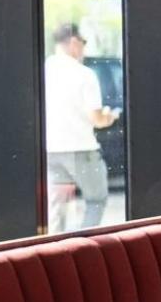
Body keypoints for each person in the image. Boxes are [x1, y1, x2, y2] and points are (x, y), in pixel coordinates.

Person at [45, 23, 116, 230]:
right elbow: (97, 119)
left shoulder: (44, 71)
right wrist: (110, 117)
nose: (84, 48)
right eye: (83, 42)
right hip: (82, 150)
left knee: (57, 207)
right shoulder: (83, 74)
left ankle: (54, 245)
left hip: (51, 151)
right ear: (74, 42)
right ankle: (83, 243)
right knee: (96, 199)